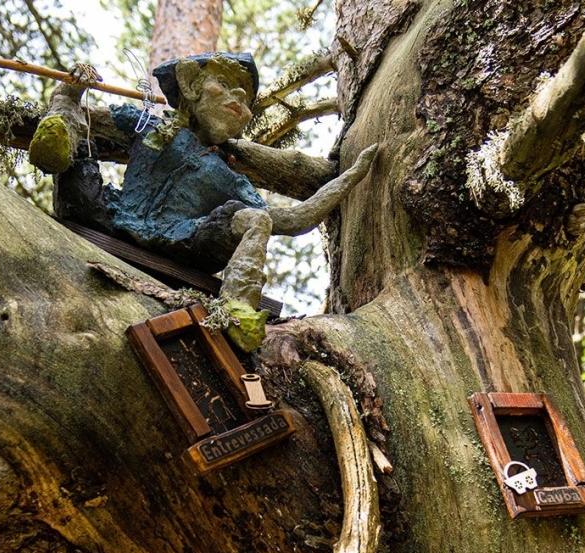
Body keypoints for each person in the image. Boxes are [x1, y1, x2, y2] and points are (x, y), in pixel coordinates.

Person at [30, 52, 376, 350]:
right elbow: (98, 119)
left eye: (244, 99)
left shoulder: (229, 177)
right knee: (78, 144)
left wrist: (349, 177)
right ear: (191, 86)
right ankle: (58, 122)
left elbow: (294, 219)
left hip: (182, 241)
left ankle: (237, 307)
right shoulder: (150, 125)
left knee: (256, 219)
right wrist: (72, 95)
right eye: (224, 84)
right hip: (108, 216)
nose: (237, 96)